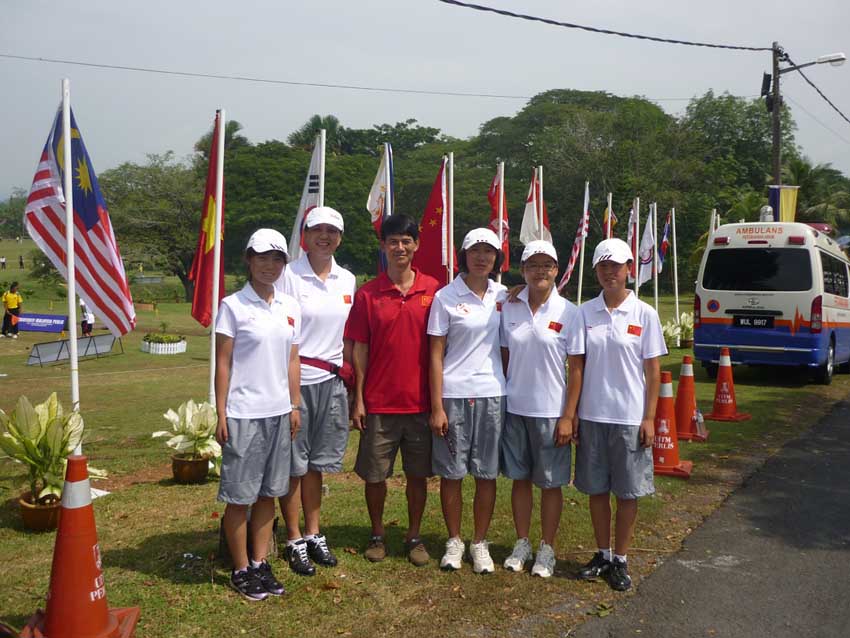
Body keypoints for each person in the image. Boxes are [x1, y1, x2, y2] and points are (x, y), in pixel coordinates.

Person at [563, 238, 666, 591]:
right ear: (595, 271)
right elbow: (575, 368)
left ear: (629, 270)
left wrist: (649, 417)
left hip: (629, 418)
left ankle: (621, 559)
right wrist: (572, 413)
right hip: (593, 416)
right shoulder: (584, 313)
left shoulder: (645, 314)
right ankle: (603, 553)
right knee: (596, 490)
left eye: (617, 266)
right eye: (604, 266)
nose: (610, 272)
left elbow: (653, 372)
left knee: (627, 492)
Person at [345, 214, 440, 566]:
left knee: (418, 475)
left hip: (420, 403)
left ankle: (414, 536)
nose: (400, 247)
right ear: (383, 246)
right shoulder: (368, 294)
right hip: (380, 404)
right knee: (375, 475)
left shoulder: (433, 290)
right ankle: (377, 533)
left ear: (416, 245)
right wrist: (359, 398)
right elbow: (359, 348)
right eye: (393, 241)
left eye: (406, 240)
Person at [214, 228, 301, 602]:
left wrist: (294, 404)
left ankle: (261, 561)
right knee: (240, 497)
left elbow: (292, 359)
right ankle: (241, 567)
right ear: (249, 260)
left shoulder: (289, 306)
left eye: (277, 259)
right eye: (262, 258)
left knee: (268, 494)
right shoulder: (232, 305)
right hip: (244, 413)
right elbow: (222, 363)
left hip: (279, 412)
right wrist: (221, 413)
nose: (270, 265)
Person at [277, 207, 356, 577]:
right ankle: (293, 538)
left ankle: (313, 532)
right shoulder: (288, 275)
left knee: (316, 465)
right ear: (304, 235)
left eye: (332, 231)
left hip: (332, 382)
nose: (324, 236)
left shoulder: (347, 279)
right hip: (295, 382)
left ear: (340, 237)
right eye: (317, 230)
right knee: (295, 464)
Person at [427, 228, 506, 574]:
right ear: (464, 255)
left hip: (492, 394)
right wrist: (437, 405)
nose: (482, 257)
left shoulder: (505, 296)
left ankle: (480, 542)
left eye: (489, 252)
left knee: (486, 473)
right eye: (475, 251)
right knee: (452, 473)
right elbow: (435, 354)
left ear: (496, 258)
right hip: (454, 395)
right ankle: (455, 540)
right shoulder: (446, 296)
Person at [499, 240, 578, 578]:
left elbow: (576, 369)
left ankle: (546, 547)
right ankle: (522, 542)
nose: (540, 271)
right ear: (523, 270)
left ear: (557, 270)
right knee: (519, 479)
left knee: (549, 483)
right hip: (516, 408)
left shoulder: (569, 312)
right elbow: (504, 357)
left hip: (551, 411)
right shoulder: (509, 305)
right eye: (533, 265)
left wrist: (567, 416)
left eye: (547, 265)